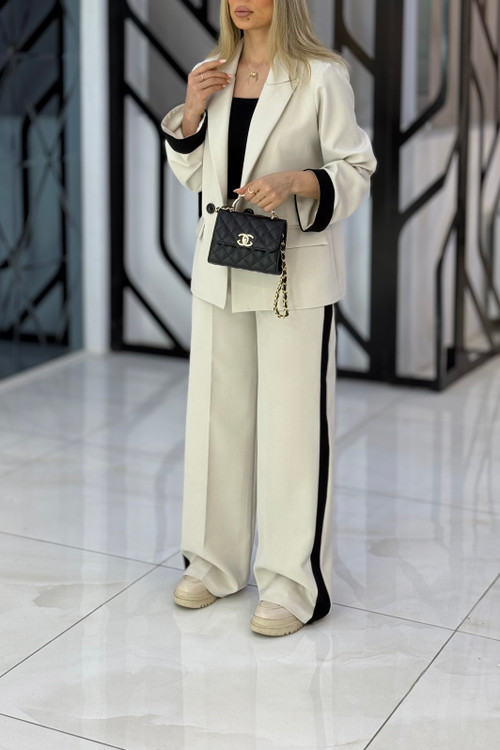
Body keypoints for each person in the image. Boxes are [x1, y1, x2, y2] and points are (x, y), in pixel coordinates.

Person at [161, 0, 376, 637]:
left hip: (292, 275)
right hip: (221, 268)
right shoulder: (213, 71)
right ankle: (214, 563)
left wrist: (296, 181)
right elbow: (193, 175)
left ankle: (290, 582)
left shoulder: (321, 75)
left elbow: (356, 167)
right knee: (216, 419)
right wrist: (192, 113)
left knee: (291, 430)